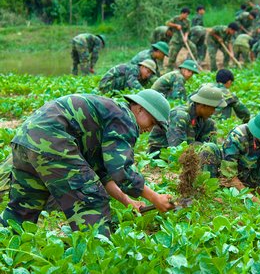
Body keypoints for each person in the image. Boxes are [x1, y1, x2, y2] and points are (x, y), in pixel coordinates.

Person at [0, 89, 174, 236]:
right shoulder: (125, 118)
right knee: (92, 200)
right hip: (53, 142)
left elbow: (103, 173)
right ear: (140, 109)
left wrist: (128, 201)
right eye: (153, 122)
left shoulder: (109, 115)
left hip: (25, 140)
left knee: (22, 208)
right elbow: (121, 171)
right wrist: (155, 197)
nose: (150, 129)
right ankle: (97, 256)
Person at [200, 109, 260, 190]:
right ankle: (210, 192)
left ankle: (259, 192)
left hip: (251, 179)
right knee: (208, 148)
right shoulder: (239, 136)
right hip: (228, 178)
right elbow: (229, 172)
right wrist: (249, 197)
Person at [148, 86, 226, 154]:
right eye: (213, 108)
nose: (213, 112)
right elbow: (177, 148)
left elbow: (210, 149)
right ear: (203, 106)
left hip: (188, 154)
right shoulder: (180, 116)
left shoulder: (206, 121)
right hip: (161, 154)